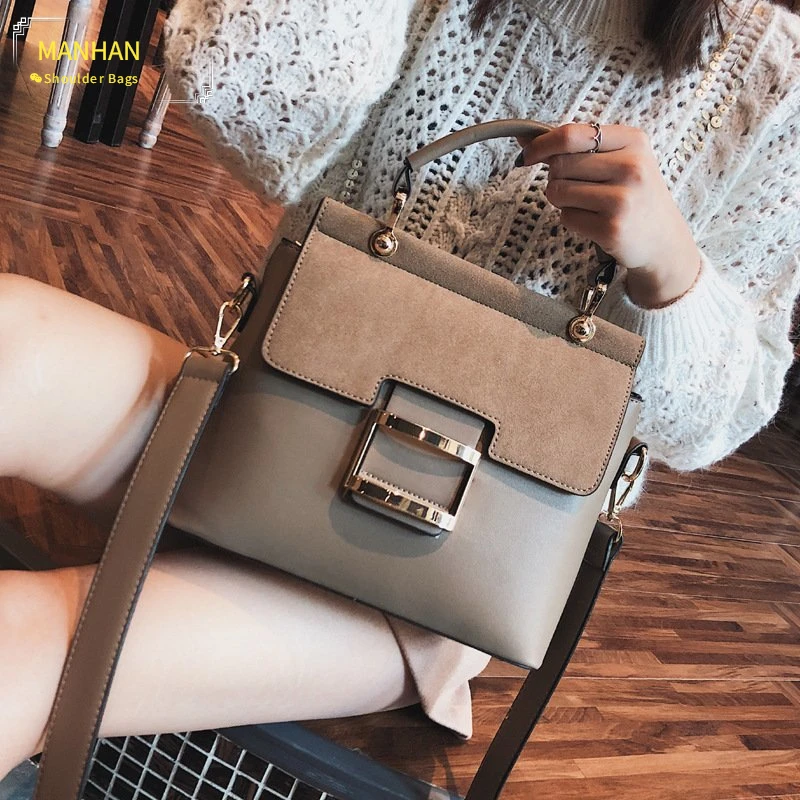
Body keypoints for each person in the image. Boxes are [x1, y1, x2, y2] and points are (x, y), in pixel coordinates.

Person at [1, 0, 798, 780]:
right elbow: (235, 86)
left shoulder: (772, 79)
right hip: (262, 424)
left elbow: (715, 420)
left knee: (23, 649)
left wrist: (673, 272)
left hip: (451, 566)